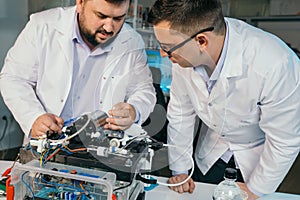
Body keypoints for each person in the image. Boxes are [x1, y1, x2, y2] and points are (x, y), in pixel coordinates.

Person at [147, 0, 300, 199]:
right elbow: (180, 114)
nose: (163, 54)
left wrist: (257, 189)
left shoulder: (275, 63)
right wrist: (180, 170)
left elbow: (285, 140)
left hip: (258, 155)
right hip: (212, 149)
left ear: (201, 41)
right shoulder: (184, 52)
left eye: (167, 48)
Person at [0, 0, 156, 142]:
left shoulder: (131, 41)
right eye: (101, 16)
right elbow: (13, 78)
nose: (109, 27)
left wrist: (134, 111)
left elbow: (144, 90)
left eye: (118, 19)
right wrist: (33, 117)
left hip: (102, 148)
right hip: (48, 144)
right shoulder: (43, 26)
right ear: (80, 3)